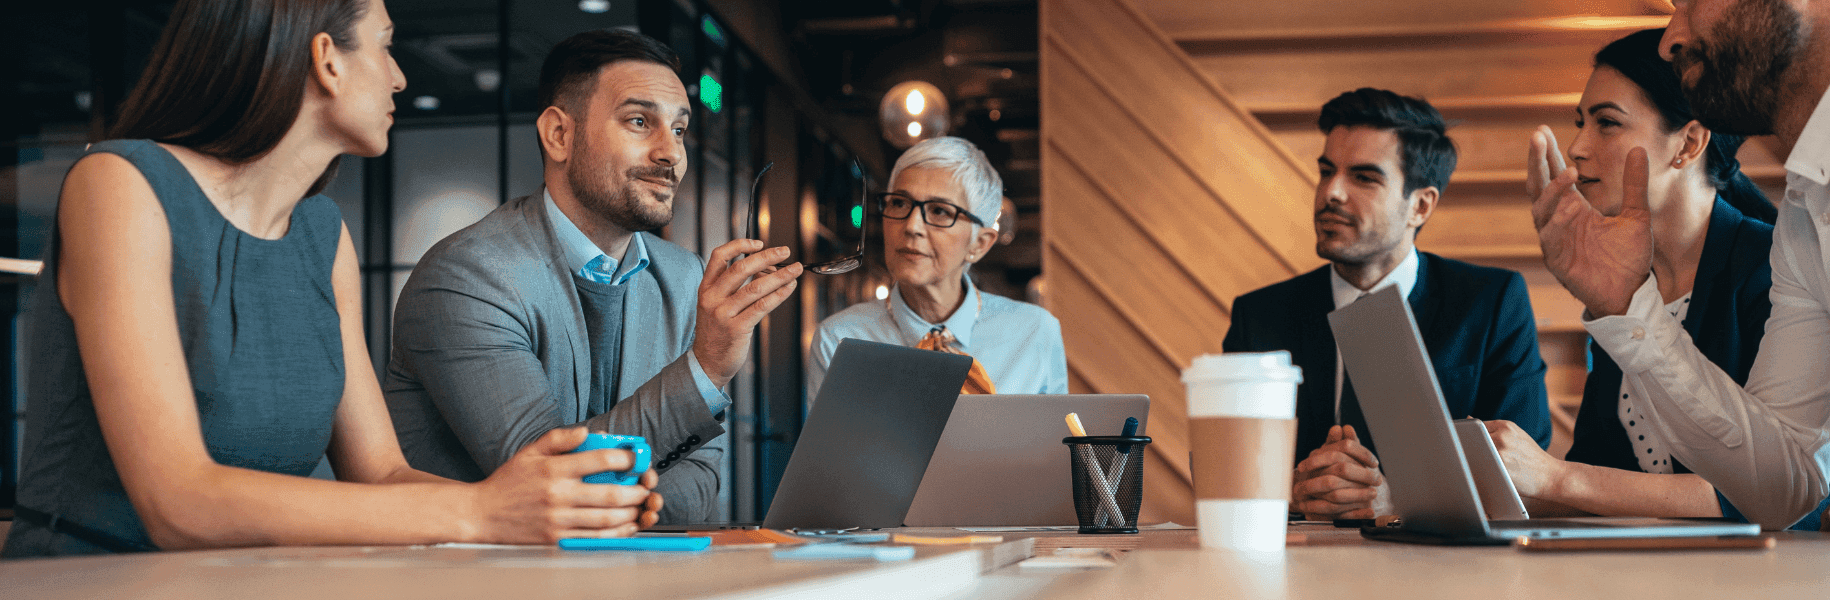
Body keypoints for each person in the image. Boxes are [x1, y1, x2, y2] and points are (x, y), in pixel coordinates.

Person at [4, 0, 658, 558]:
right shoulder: (120, 185)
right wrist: (484, 513)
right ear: (327, 58)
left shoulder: (322, 236)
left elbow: (379, 472)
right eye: (386, 47)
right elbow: (179, 500)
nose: (401, 78)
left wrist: (555, 508)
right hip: (85, 580)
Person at [1530, 0, 1830, 536]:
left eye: (1690, 1)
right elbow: (1787, 485)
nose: (1671, 37)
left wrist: (1558, 481)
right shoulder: (1806, 203)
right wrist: (1627, 308)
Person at [382, 29, 801, 524]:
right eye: (640, 121)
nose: (672, 153)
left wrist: (620, 506)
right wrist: (706, 369)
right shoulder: (467, 276)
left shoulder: (685, 276)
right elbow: (554, 480)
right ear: (559, 135)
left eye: (681, 130)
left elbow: (703, 472)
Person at [1487, 29, 1830, 530]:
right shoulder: (1624, 279)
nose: (1577, 147)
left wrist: (1558, 478)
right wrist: (1429, 494)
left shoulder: (1775, 266)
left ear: (1690, 142)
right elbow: (1599, 469)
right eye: (1580, 123)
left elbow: (1780, 496)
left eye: (1607, 123)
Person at [1222, 88, 1553, 520]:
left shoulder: (1491, 303)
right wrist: (1296, 490)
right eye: (1326, 171)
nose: (1331, 192)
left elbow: (1525, 473)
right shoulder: (1260, 316)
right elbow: (1225, 466)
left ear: (1420, 205)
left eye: (1363, 178)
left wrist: (1396, 499)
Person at [806, 137, 1066, 400]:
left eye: (940, 211)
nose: (911, 226)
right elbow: (829, 443)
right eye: (899, 203)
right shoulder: (839, 339)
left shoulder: (1036, 333)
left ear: (979, 243)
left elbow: (1058, 440)